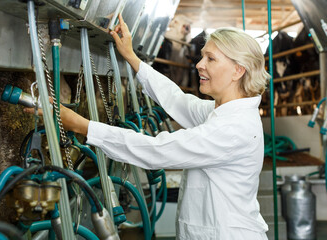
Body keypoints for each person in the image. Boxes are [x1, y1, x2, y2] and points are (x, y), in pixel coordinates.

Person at [25, 14, 270, 240]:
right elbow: (178, 100)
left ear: (238, 70)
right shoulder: (223, 112)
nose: (199, 64)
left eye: (211, 58)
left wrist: (82, 125)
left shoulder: (233, 128)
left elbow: (157, 151)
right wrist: (132, 57)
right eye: (203, 56)